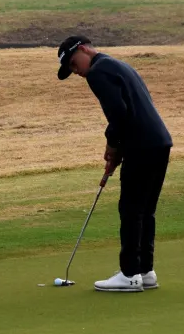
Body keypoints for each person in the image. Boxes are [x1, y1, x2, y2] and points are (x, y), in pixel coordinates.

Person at [57, 35, 173, 292]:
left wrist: (112, 146)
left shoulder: (98, 72)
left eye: (74, 64)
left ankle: (130, 274)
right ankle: (145, 270)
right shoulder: (120, 65)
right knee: (145, 210)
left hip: (141, 145)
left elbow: (119, 115)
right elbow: (131, 112)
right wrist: (119, 151)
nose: (76, 72)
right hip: (159, 143)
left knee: (131, 210)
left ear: (85, 49)